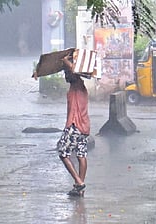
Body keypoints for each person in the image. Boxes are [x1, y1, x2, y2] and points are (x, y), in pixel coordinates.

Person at [57, 53, 90, 197]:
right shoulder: (78, 86)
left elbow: (74, 70)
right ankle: (79, 187)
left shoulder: (77, 83)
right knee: (81, 155)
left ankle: (78, 181)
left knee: (62, 152)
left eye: (66, 72)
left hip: (75, 125)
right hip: (84, 127)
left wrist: (65, 61)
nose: (65, 75)